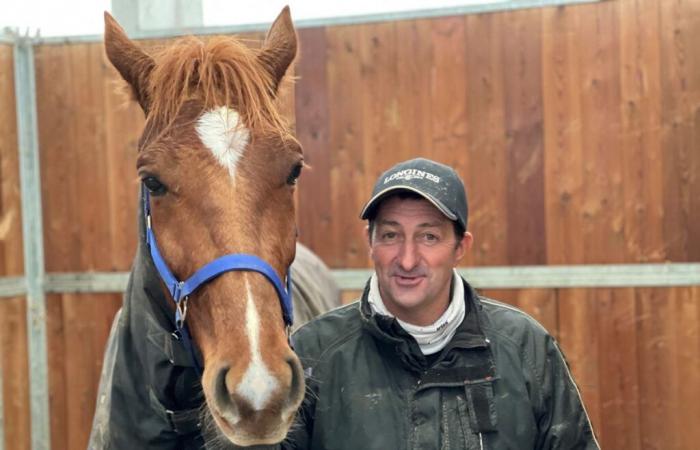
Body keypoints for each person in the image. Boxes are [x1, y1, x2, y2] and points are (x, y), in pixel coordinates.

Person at [285, 158, 600, 450]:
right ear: (371, 242)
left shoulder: (525, 349)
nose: (407, 261)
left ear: (461, 246)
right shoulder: (314, 354)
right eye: (391, 235)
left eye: (429, 237)